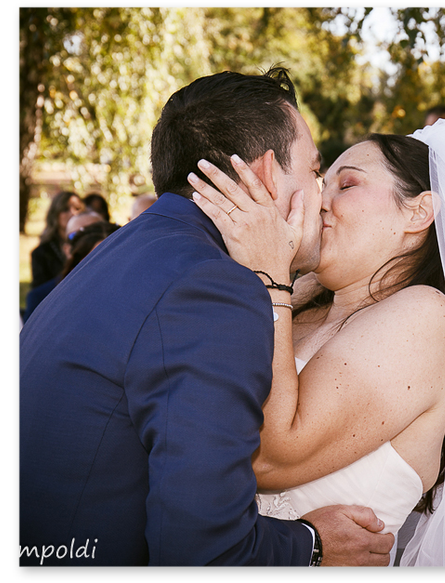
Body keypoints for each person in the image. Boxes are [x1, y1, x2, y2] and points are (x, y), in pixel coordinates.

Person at [19, 67, 393, 567]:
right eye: (314, 171)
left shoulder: (127, 250)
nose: (322, 194)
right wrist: (312, 544)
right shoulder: (212, 287)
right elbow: (203, 550)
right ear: (265, 175)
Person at [189, 118, 445, 566]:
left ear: (418, 213)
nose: (319, 199)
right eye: (321, 183)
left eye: (346, 185)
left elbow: (269, 459)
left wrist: (269, 275)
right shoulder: (297, 302)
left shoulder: (426, 317)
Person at [30, 190, 84, 288]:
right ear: (55, 214)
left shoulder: (92, 245)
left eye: (77, 208)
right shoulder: (41, 253)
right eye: (65, 209)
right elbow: (38, 293)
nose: (72, 213)